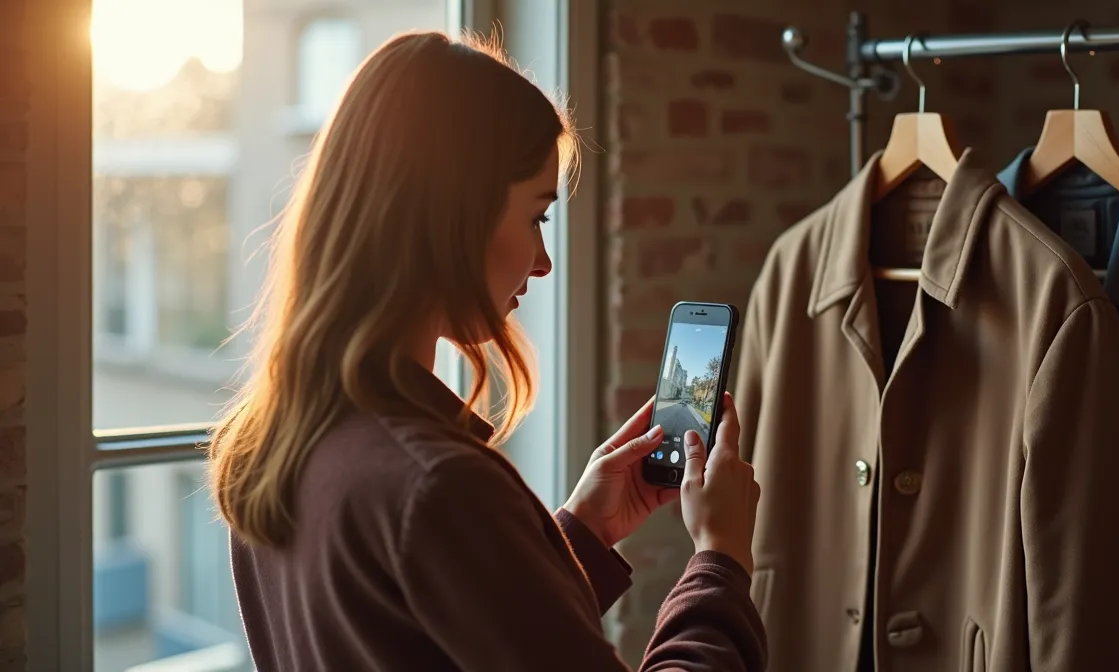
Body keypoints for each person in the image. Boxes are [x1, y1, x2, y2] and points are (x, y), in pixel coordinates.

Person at [207, 30, 766, 671]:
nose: (545, 261)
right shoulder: (438, 484)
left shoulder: (274, 441)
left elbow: (425, 630)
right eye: (537, 217)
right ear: (452, 213)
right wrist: (720, 559)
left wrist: (582, 532)